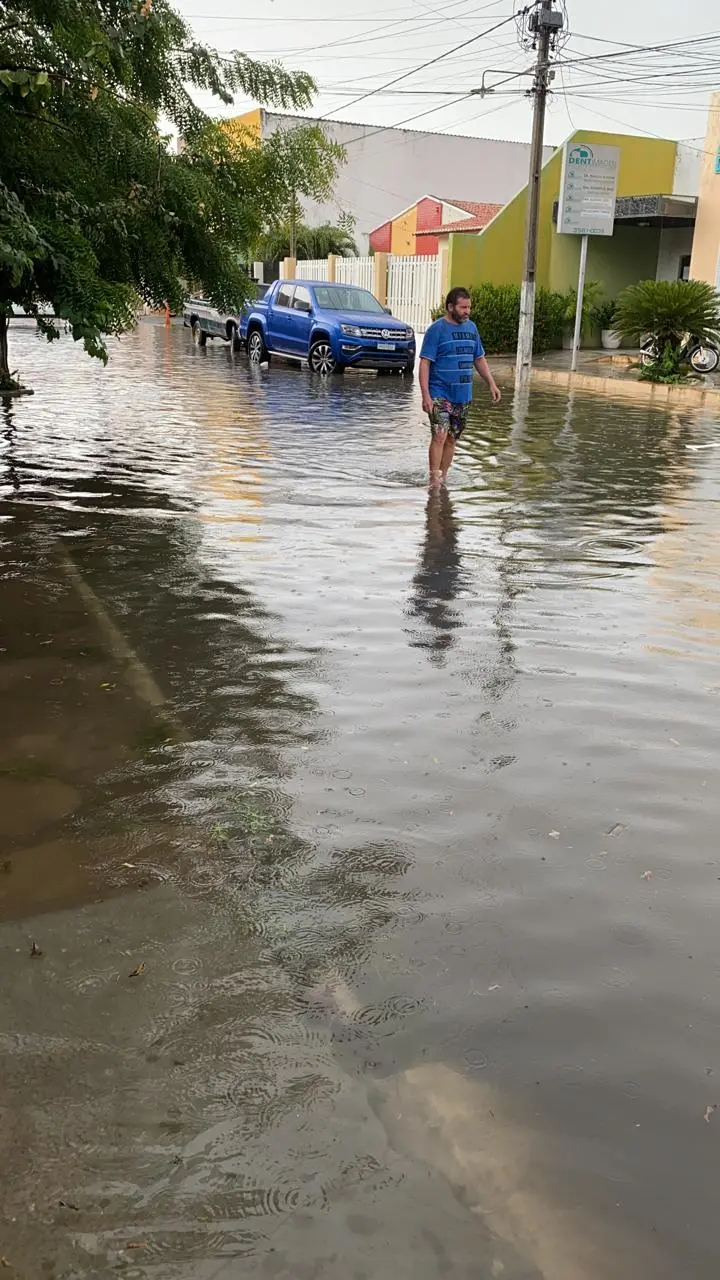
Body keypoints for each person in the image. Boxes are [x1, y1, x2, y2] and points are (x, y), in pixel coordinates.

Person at [419, 286, 501, 486]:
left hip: (463, 395)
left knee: (451, 439)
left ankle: (443, 478)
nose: (467, 311)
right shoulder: (436, 330)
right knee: (440, 435)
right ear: (450, 307)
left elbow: (479, 359)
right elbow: (425, 363)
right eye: (463, 307)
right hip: (439, 393)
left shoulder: (472, 328)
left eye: (469, 307)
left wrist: (492, 383)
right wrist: (426, 395)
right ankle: (434, 480)